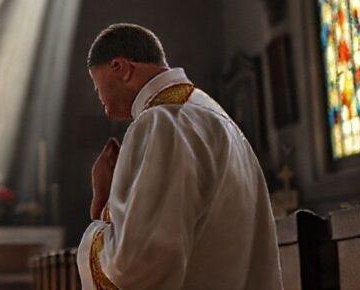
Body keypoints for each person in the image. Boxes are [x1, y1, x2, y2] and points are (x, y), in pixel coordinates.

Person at [77, 23, 283, 290]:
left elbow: (137, 265)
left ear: (121, 68)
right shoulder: (211, 113)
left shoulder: (161, 122)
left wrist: (102, 203)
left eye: (97, 87)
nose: (100, 100)